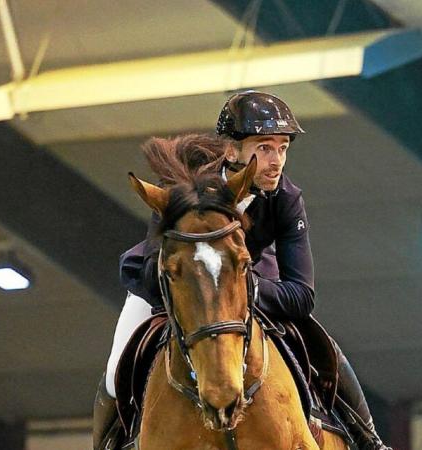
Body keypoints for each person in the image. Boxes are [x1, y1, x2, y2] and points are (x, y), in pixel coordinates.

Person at [94, 91, 390, 450]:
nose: (276, 161)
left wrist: (236, 288)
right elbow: (159, 269)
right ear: (232, 150)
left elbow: (301, 294)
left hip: (246, 279)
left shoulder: (286, 198)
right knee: (114, 373)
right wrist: (202, 289)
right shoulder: (183, 191)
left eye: (282, 148)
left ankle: (368, 438)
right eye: (264, 147)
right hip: (172, 284)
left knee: (323, 343)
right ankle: (107, 443)